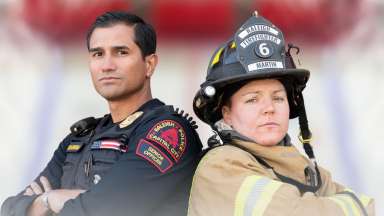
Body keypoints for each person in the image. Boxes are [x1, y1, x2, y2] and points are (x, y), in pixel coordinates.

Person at [1, 11, 202, 216]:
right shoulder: (78, 138)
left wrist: (50, 198)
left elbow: (107, 209)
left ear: (149, 64)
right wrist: (49, 201)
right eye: (98, 54)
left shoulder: (168, 132)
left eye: (121, 52)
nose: (107, 65)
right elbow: (10, 209)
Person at [188, 12, 374, 216]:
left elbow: (367, 207)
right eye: (252, 99)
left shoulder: (304, 168)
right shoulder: (220, 167)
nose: (269, 108)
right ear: (227, 113)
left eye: (278, 98)